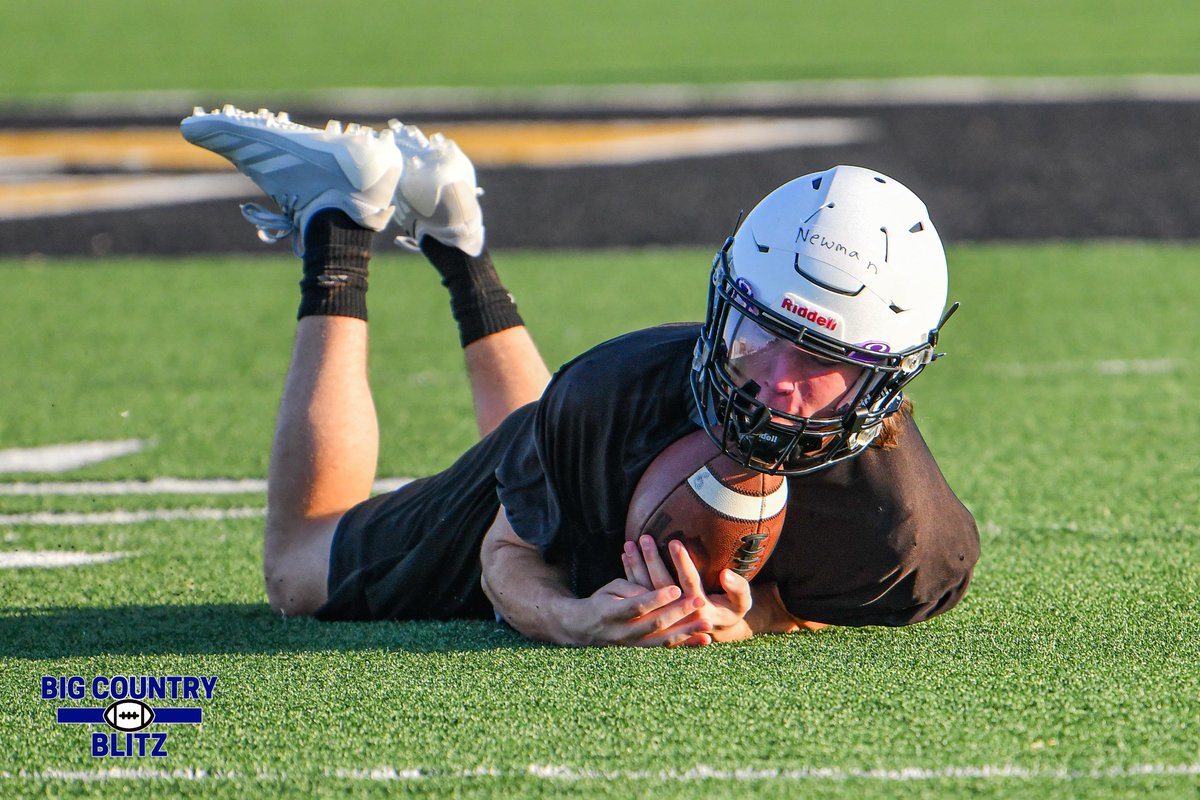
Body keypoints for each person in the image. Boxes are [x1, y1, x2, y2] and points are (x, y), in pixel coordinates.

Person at [181, 106, 979, 647]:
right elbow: (505, 556)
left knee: (556, 459)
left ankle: (455, 234)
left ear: (888, 383)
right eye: (759, 334)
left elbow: (823, 599)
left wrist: (758, 614)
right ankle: (339, 223)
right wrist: (570, 617)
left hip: (589, 440)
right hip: (583, 428)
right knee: (297, 572)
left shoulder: (908, 541)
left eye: (822, 362)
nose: (776, 382)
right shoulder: (613, 387)